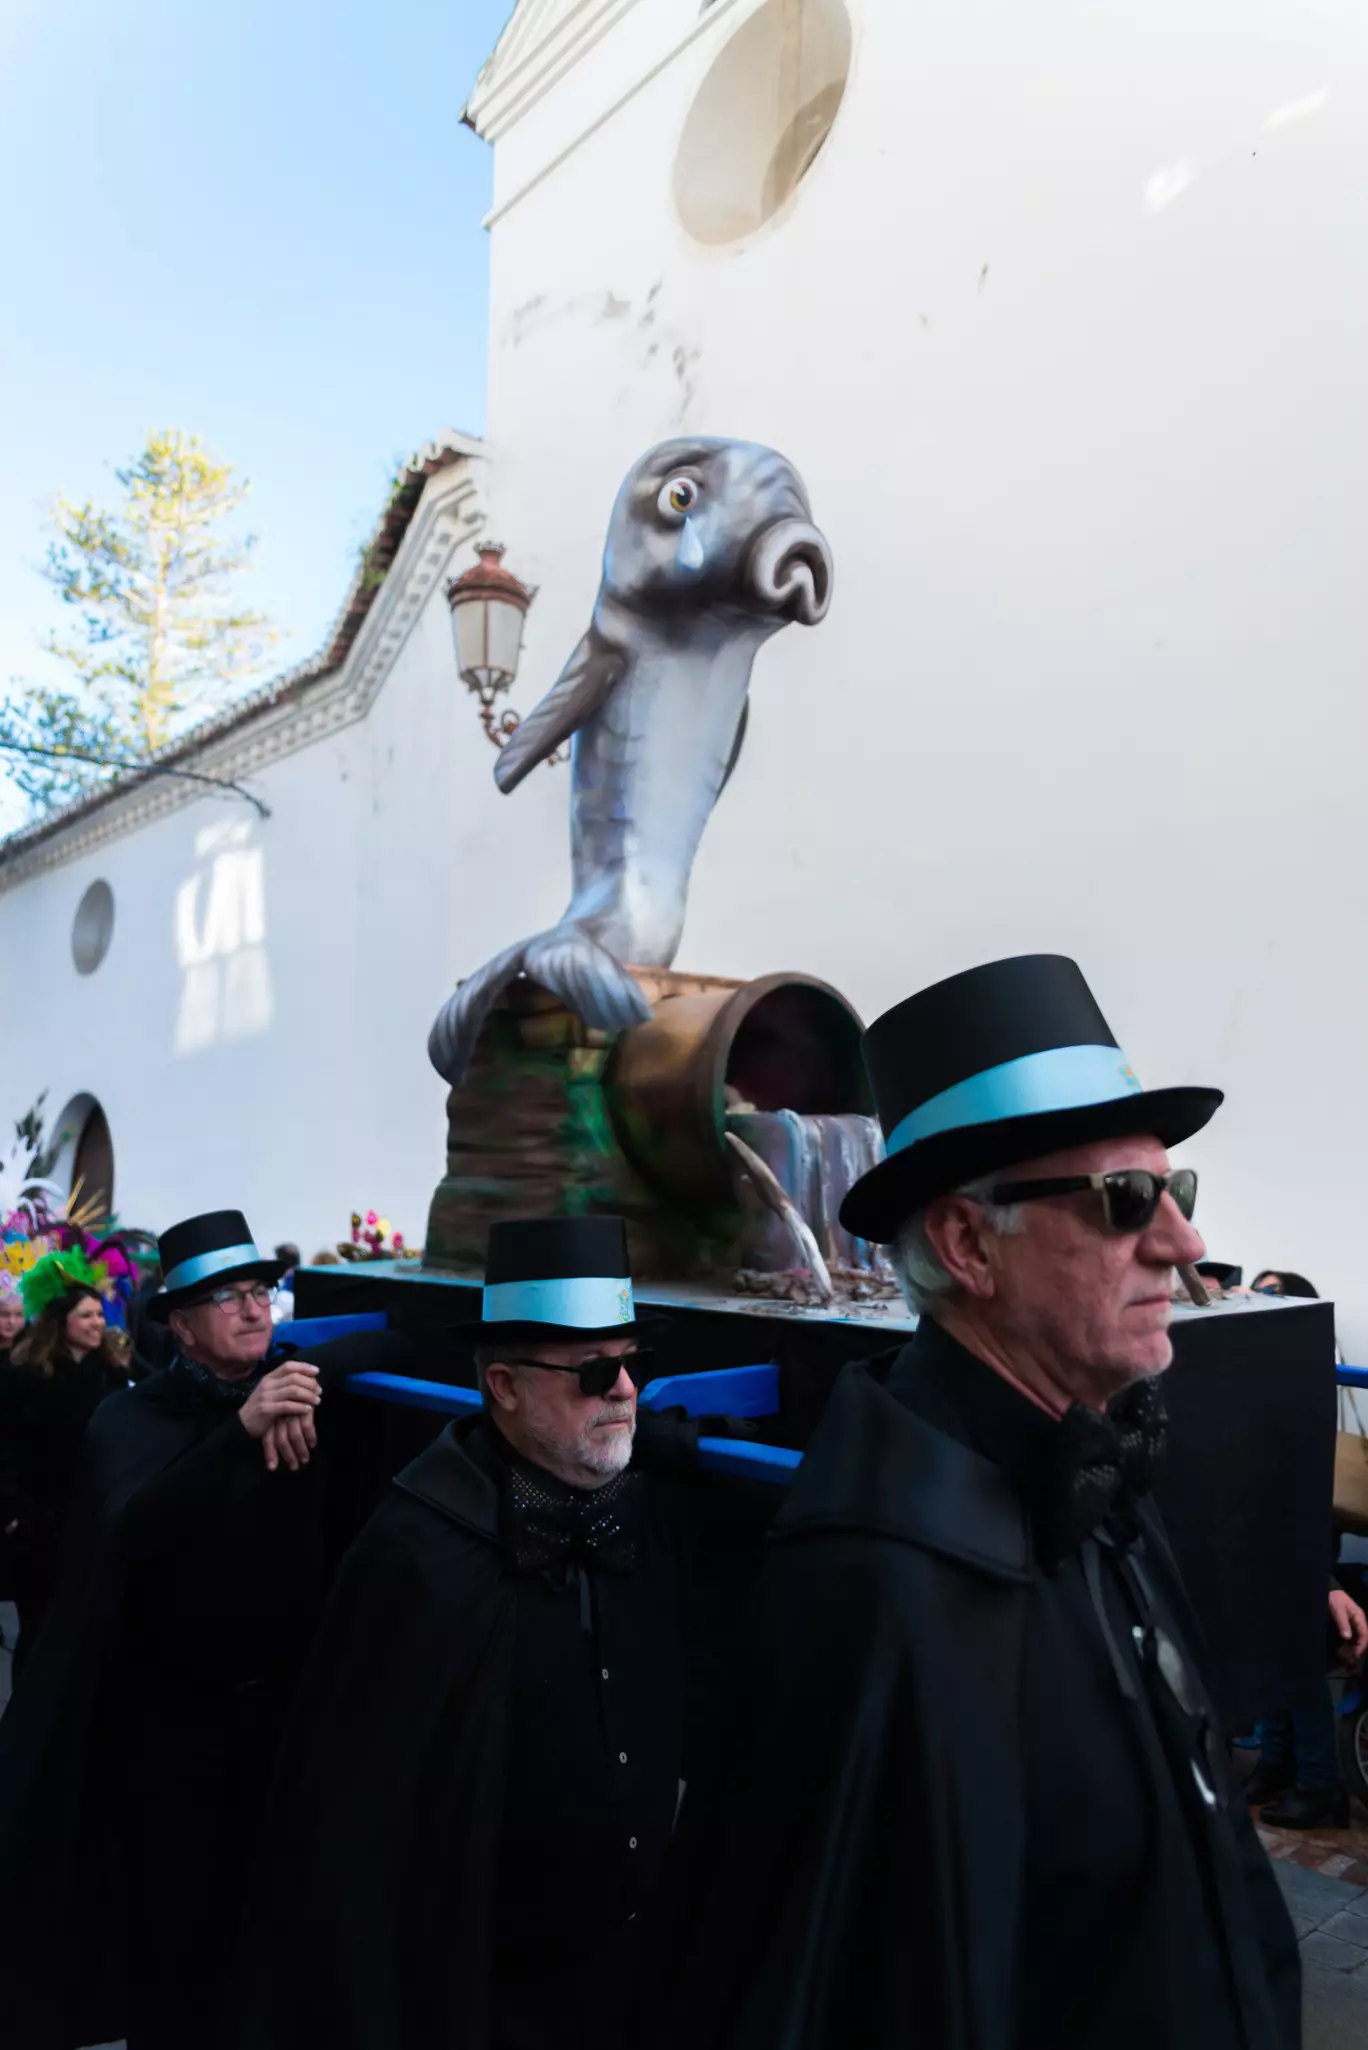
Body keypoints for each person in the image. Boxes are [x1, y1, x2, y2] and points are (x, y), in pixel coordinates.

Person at [653, 954, 1300, 2050]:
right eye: (1124, 1199)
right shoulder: (873, 1589)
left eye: (1175, 1191)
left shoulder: (1099, 1479)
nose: (1185, 1245)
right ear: (965, 1244)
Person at [238, 1214, 768, 2050]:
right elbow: (352, 1828)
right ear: (505, 1388)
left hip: (633, 1974)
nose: (625, 1390)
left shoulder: (650, 1512)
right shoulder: (418, 1552)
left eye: (631, 1364)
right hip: (477, 1994)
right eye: (595, 1371)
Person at [0, 1207, 419, 2050]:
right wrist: (241, 1432)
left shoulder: (291, 1383)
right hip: (169, 1739)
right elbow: (136, 1529)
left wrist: (308, 1374)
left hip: (283, 1725)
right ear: (180, 1325)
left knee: (269, 1934)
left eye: (261, 1291)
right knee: (176, 1943)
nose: (254, 1309)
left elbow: (396, 1345)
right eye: (226, 1298)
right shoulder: (130, 1419)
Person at [1237, 1268, 1368, 1827]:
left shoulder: (1301, 1369)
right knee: (1271, 1645)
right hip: (1270, 1527)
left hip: (1301, 1530)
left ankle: (1319, 1782)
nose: (1261, 1305)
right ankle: (1277, 1761)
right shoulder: (1262, 1368)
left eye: (1272, 1297)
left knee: (1302, 1652)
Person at [0, 1250, 129, 1674]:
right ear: (62, 1321)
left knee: (84, 1635)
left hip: (93, 1521)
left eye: (99, 1314)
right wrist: (14, 1513)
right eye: (87, 1315)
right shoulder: (26, 1376)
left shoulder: (110, 1373)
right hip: (38, 1525)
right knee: (37, 1632)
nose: (98, 1323)